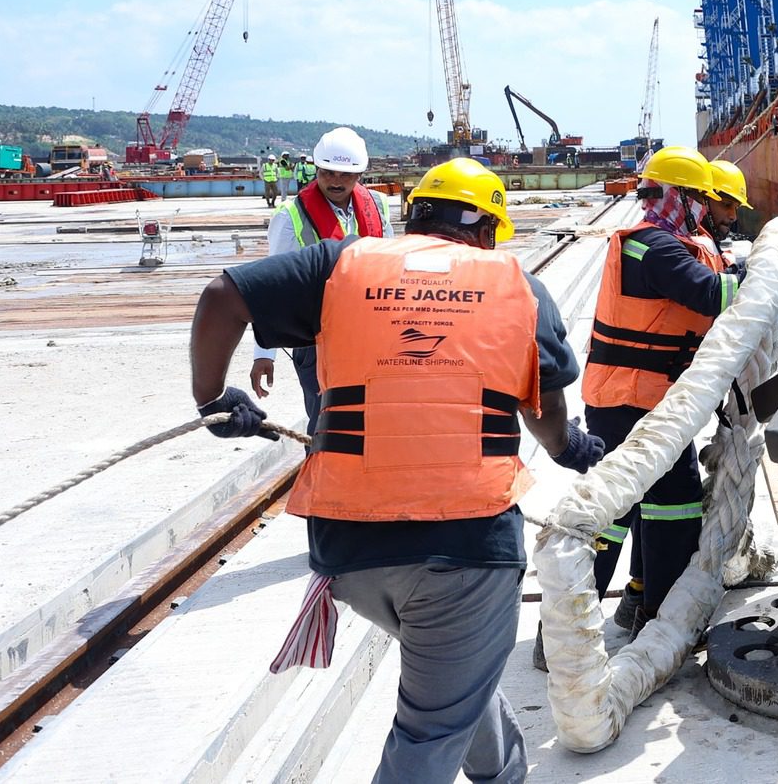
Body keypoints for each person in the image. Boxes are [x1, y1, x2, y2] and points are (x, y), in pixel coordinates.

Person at [189, 157, 603, 784]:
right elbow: (544, 411)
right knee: (431, 726)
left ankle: (501, 772)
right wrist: (570, 448)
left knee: (457, 672)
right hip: (466, 549)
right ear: (486, 230)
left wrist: (214, 400)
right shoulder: (519, 285)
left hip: (348, 551)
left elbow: (223, 297)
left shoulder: (340, 263)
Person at [580, 145, 778, 638]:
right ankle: (657, 624)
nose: (715, 211)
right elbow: (713, 293)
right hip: (631, 398)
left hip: (640, 400)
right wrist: (775, 274)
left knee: (635, 505)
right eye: (705, 200)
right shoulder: (654, 247)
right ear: (683, 198)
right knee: (663, 507)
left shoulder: (673, 243)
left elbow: (722, 284)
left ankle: (632, 608)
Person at [250, 126, 394, 428]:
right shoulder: (290, 215)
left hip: (372, 334)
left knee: (376, 421)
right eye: (328, 173)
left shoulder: (378, 206)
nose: (336, 181)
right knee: (326, 424)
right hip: (317, 342)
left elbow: (393, 270)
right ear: (316, 169)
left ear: (360, 174)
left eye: (345, 175)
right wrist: (264, 354)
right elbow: (275, 287)